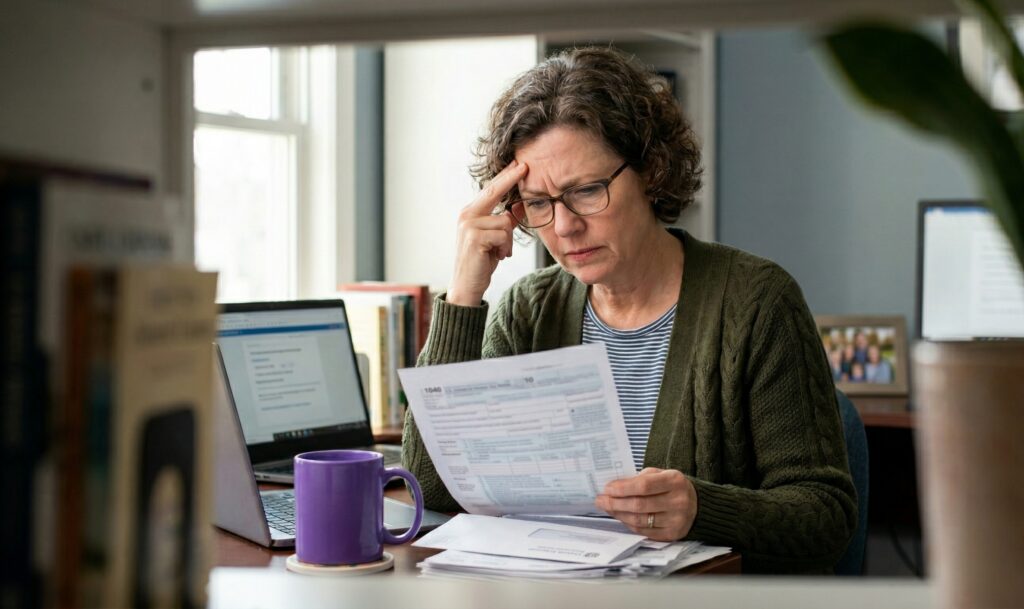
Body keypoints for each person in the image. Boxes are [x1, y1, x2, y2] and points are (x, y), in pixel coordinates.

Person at [402, 47, 856, 574]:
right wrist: (464, 294)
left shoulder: (756, 302)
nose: (565, 227)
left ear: (651, 169)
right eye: (539, 203)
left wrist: (701, 508)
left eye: (587, 191)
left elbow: (827, 518)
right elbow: (433, 487)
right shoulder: (527, 310)